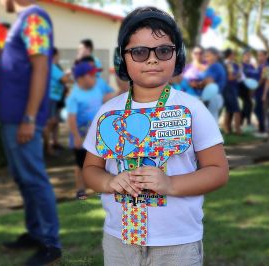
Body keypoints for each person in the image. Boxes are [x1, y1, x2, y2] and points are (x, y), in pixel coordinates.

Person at [82, 7, 229, 265]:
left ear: (177, 56)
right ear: (122, 59)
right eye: (139, 52)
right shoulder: (108, 112)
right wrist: (109, 182)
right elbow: (91, 169)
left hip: (177, 243)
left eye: (163, 51)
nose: (152, 60)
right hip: (119, 241)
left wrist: (170, 185)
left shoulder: (192, 109)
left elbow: (218, 170)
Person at [0, 0, 61, 264]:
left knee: (34, 178)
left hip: (22, 119)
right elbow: (20, 66)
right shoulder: (26, 20)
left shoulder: (33, 18)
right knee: (24, 178)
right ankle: (36, 233)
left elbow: (41, 68)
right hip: (14, 117)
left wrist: (30, 117)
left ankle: (50, 243)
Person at [66, 62, 105, 200]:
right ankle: (80, 190)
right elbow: (71, 118)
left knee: (100, 162)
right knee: (81, 164)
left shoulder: (97, 89)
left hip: (97, 135)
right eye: (92, 75)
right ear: (81, 78)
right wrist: (76, 137)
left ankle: (100, 186)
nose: (95, 77)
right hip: (81, 136)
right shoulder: (74, 96)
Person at [43, 47, 71, 155]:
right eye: (58, 55)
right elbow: (63, 79)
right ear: (54, 55)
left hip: (54, 98)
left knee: (53, 122)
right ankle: (48, 147)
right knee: (50, 122)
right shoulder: (52, 66)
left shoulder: (53, 67)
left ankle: (50, 145)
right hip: (51, 98)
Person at [201, 47, 227, 122]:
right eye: (205, 56)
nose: (206, 59)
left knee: (210, 122)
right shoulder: (219, 66)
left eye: (208, 56)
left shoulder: (214, 66)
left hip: (213, 97)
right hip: (217, 97)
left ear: (215, 56)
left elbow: (209, 82)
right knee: (213, 121)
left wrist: (199, 84)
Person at [254, 50, 269, 136]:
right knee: (258, 110)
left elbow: (266, 81)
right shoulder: (260, 66)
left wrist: (264, 94)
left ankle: (264, 130)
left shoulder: (267, 67)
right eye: (258, 55)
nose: (260, 57)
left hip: (263, 93)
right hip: (258, 92)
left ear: (266, 56)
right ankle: (263, 129)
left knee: (262, 111)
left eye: (261, 55)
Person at [223, 49, 242, 134]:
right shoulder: (228, 64)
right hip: (229, 88)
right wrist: (238, 75)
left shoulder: (231, 64)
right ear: (230, 55)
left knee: (229, 109)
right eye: (233, 54)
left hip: (232, 88)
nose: (234, 55)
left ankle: (227, 128)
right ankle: (237, 129)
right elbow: (230, 78)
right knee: (236, 109)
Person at [239, 50, 258, 130]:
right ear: (243, 56)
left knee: (247, 104)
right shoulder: (241, 65)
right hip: (242, 88)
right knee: (248, 104)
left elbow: (254, 77)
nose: (248, 57)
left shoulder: (252, 66)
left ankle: (241, 121)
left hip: (250, 88)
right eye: (247, 55)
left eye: (249, 55)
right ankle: (248, 122)